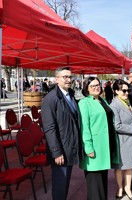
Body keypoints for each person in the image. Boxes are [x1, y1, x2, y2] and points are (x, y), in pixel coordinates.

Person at [41, 67, 83, 200]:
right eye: (65, 77)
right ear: (56, 79)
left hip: (69, 146)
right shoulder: (50, 99)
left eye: (70, 77)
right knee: (60, 185)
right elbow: (49, 128)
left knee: (65, 184)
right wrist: (56, 152)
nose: (68, 80)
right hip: (60, 150)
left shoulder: (70, 95)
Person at [78, 76, 121, 200]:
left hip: (104, 146)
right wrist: (88, 147)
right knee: (94, 183)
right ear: (87, 88)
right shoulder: (84, 102)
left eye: (98, 85)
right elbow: (84, 127)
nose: (97, 87)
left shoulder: (102, 100)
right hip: (94, 148)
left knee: (102, 180)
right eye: (93, 85)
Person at [110, 79, 132, 200]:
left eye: (127, 90)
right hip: (122, 141)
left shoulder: (127, 102)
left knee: (130, 166)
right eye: (123, 91)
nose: (126, 93)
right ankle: (120, 188)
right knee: (120, 168)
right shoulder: (114, 105)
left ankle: (127, 188)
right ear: (116, 91)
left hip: (130, 141)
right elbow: (117, 126)